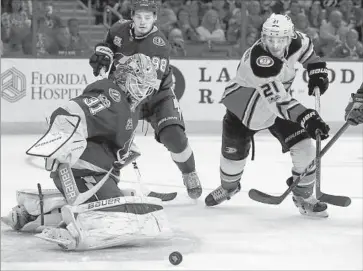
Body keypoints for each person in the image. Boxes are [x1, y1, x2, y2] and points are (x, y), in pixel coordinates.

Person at [1, 54, 172, 250]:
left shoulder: (128, 103)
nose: (142, 89)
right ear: (124, 77)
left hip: (94, 174)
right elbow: (69, 112)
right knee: (123, 216)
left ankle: (30, 214)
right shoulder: (111, 96)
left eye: (145, 85)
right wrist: (64, 141)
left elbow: (108, 131)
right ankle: (72, 230)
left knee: (120, 202)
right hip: (84, 173)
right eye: (138, 82)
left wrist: (125, 151)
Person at [205, 14, 331, 218]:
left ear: (290, 37)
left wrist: (317, 72)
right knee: (231, 161)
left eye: (280, 39)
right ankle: (229, 187)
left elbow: (309, 55)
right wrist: (306, 117)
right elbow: (278, 102)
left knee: (305, 147)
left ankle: (304, 196)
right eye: (270, 39)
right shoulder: (259, 61)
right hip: (243, 112)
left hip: (278, 111)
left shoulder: (299, 40)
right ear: (263, 37)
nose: (274, 44)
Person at [89, 0, 202, 200]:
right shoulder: (118, 29)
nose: (143, 22)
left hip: (157, 96)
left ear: (155, 19)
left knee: (174, 136)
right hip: (122, 94)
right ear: (132, 16)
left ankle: (189, 172)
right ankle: (104, 182)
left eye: (148, 18)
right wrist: (102, 53)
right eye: (139, 17)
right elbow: (107, 44)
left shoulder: (159, 44)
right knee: (112, 144)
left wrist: (127, 121)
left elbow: (148, 86)